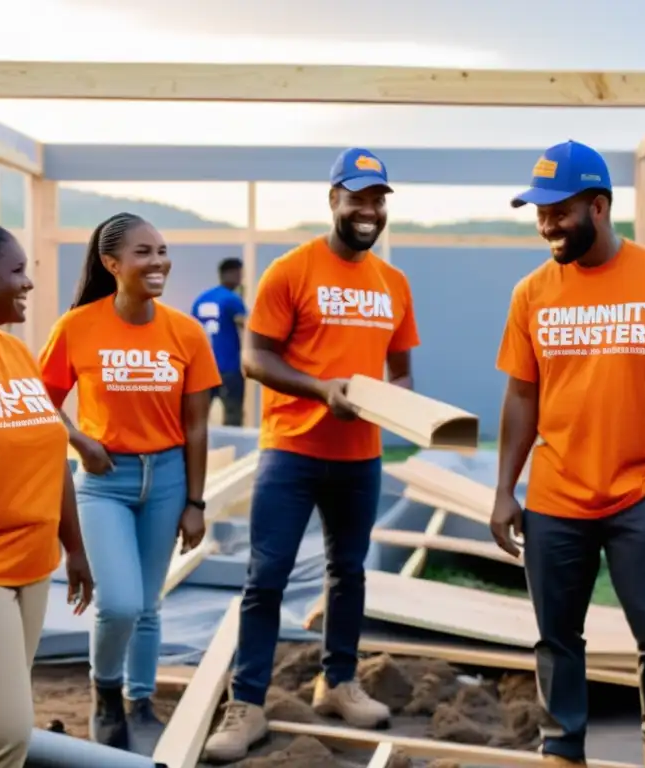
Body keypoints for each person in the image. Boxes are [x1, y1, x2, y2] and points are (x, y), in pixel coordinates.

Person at [202, 147, 421, 763]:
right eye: (358, 197)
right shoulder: (291, 271)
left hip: (360, 455)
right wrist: (323, 390)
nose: (369, 210)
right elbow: (255, 360)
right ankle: (246, 704)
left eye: (379, 199)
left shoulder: (394, 283)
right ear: (333, 200)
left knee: (347, 573)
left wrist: (387, 401)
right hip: (292, 452)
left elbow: (402, 371)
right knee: (265, 578)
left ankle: (338, 683)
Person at [492, 140, 645, 768]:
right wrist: (506, 488)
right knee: (557, 637)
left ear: (599, 206)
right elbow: (521, 397)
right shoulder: (531, 292)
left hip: (643, 491)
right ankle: (563, 750)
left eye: (558, 211)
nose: (547, 224)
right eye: (539, 212)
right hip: (556, 495)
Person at [38, 212, 221, 754]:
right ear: (111, 264)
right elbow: (42, 403)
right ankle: (105, 692)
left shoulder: (185, 332)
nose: (158, 261)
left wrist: (195, 501)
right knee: (117, 603)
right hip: (103, 481)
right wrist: (77, 439)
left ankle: (141, 704)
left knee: (148, 605)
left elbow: (196, 426)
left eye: (162, 250)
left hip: (166, 479)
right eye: (144, 252)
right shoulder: (76, 327)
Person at [0, 202, 93, 766]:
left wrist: (74, 546)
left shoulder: (17, 353)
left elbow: (50, 451)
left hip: (32, 570)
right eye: (16, 271)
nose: (28, 281)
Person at [192, 258, 248, 426]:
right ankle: (233, 449)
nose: (240, 279)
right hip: (228, 366)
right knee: (233, 414)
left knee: (199, 416)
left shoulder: (201, 299)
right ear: (231, 273)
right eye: (239, 274)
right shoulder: (232, 299)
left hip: (203, 367)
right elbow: (245, 324)